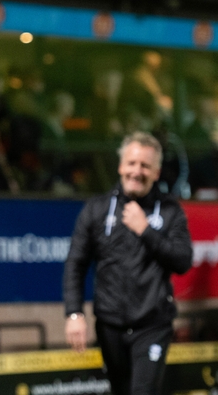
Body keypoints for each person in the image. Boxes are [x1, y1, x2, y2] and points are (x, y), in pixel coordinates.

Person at [63, 131, 193, 395]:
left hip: (152, 325)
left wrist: (145, 230)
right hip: (110, 325)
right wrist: (74, 313)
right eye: (132, 163)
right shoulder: (97, 209)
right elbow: (75, 264)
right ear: (121, 166)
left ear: (156, 172)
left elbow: (182, 261)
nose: (137, 171)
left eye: (145, 165)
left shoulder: (169, 211)